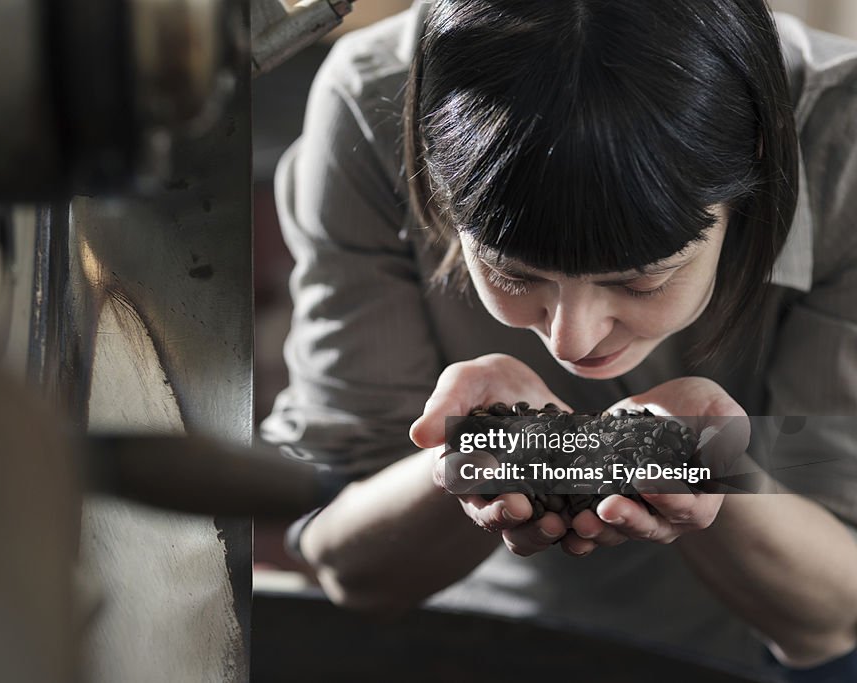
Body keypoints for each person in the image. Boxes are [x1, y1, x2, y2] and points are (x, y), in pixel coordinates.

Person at [261, 0, 857, 679]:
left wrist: (714, 459)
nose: (573, 339)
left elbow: (834, 613)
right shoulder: (374, 103)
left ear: (755, 156)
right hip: (451, 623)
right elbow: (346, 565)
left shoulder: (847, 143)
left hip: (748, 648)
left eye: (638, 282)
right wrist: (467, 454)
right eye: (512, 272)